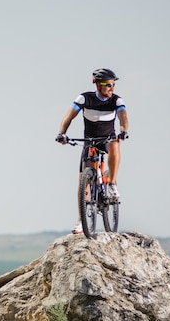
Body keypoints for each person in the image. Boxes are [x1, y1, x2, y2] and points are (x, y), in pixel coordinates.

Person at [56, 68, 129, 235]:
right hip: (89, 141)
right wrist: (62, 133)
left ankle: (111, 183)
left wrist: (123, 130)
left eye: (113, 85)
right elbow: (69, 116)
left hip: (107, 140)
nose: (112, 88)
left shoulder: (116, 101)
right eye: (108, 85)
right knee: (83, 180)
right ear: (97, 85)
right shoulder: (85, 98)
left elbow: (123, 117)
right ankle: (82, 220)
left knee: (115, 144)